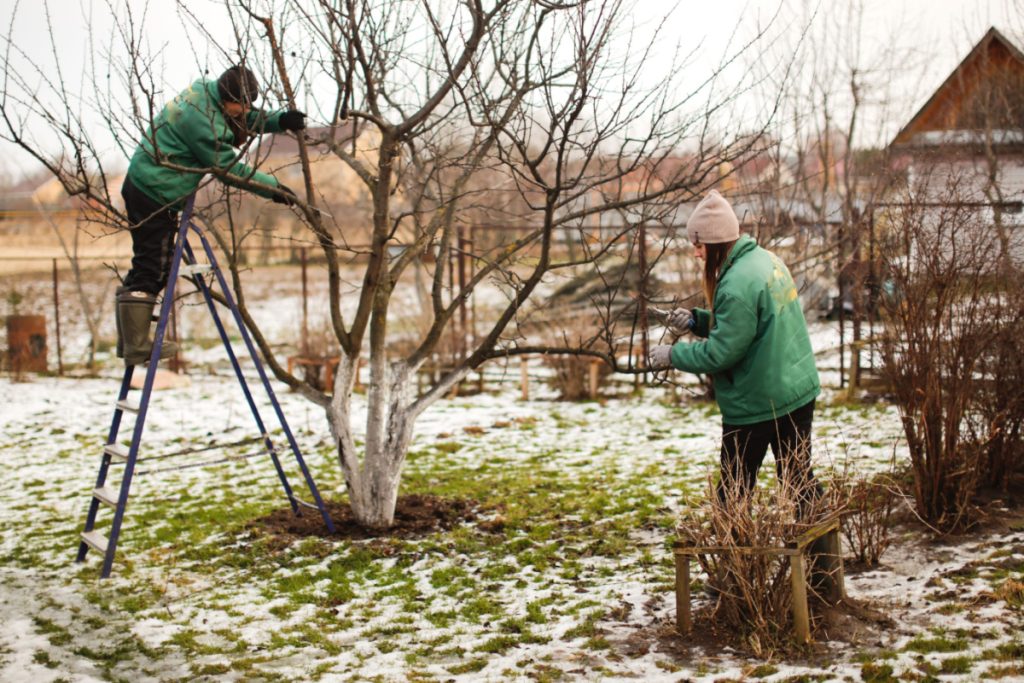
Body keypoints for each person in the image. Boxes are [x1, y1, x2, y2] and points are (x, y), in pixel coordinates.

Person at [116, 65, 306, 365]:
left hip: (148, 184)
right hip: (154, 191)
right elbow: (229, 170)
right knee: (153, 266)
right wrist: (274, 189)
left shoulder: (207, 91)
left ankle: (128, 341)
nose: (245, 110)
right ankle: (137, 345)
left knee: (148, 262)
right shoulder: (203, 123)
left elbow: (240, 119)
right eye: (241, 104)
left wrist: (279, 120)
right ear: (226, 97)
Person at [648, 190, 822, 511]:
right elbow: (751, 324)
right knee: (799, 481)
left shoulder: (735, 284)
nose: (696, 254)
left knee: (734, 491)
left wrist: (672, 356)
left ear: (714, 244)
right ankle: (823, 555)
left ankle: (734, 557)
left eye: (699, 246)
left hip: (758, 401)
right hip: (795, 390)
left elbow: (721, 353)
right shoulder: (766, 260)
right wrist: (697, 322)